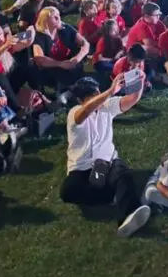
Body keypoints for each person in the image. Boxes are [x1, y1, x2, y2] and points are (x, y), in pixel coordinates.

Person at [59, 75, 152, 238]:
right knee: (68, 191)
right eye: (93, 96)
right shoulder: (74, 113)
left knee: (123, 175)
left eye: (98, 93)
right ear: (81, 99)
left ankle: (128, 216)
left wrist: (140, 82)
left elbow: (132, 99)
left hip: (108, 161)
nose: (99, 98)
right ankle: (110, 194)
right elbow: (86, 111)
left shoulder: (107, 106)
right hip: (82, 167)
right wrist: (110, 92)